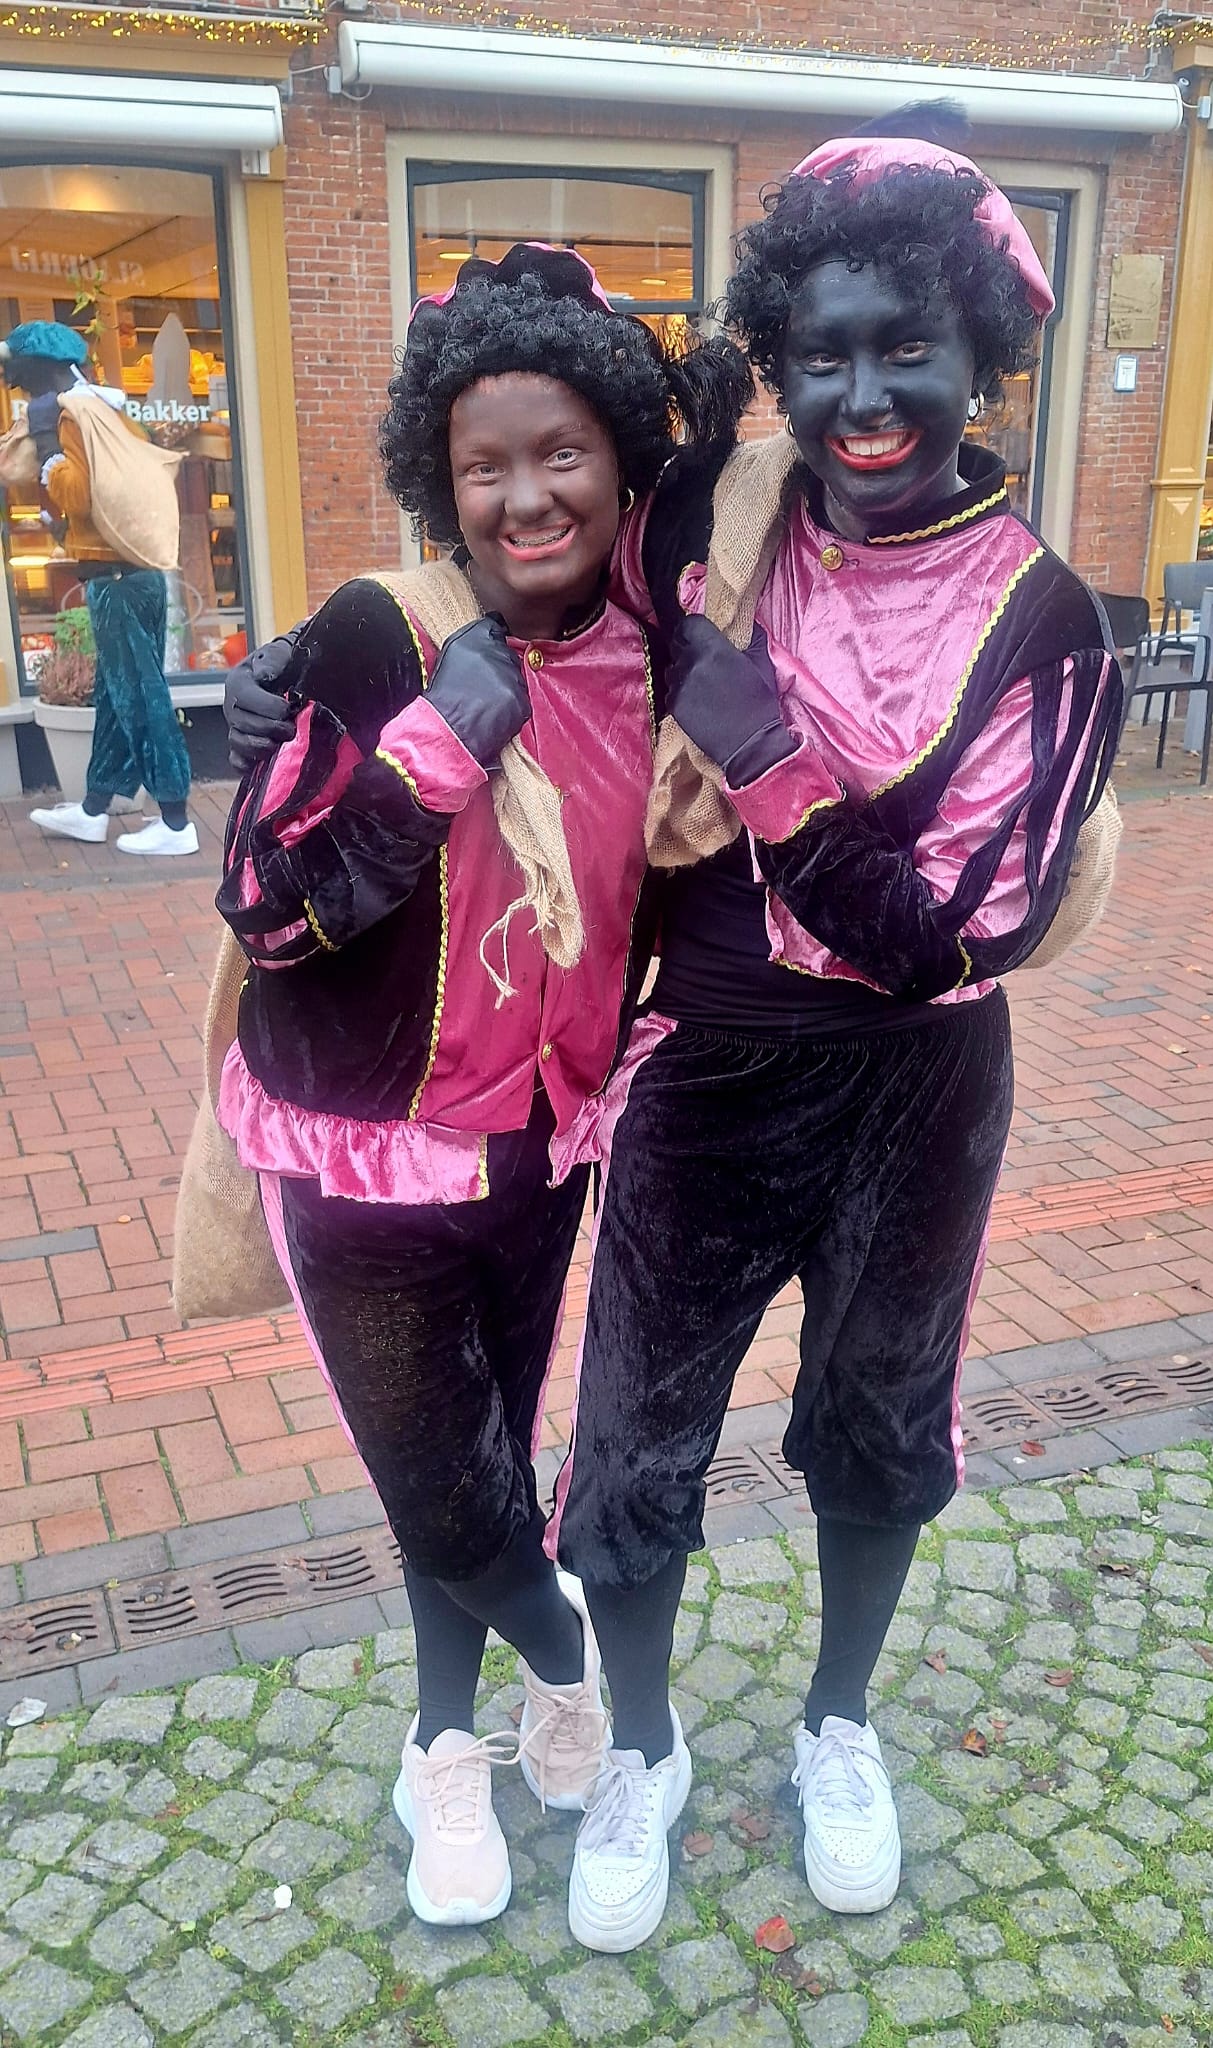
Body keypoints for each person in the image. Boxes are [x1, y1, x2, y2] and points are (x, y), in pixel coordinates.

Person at [550, 110, 1123, 1951]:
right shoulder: (711, 522)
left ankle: (837, 1723)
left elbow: (956, 934)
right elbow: (533, 555)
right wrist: (342, 678)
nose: (864, 398)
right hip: (705, 1069)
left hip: (913, 1086)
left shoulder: (1048, 622)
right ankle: (639, 1748)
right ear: (778, 362)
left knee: (880, 1411)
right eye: (822, 355)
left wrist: (769, 760)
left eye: (907, 349)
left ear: (982, 352)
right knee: (632, 1430)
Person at [213, 243, 748, 1930]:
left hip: (540, 1154)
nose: (525, 497)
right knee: (439, 1484)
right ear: (436, 483)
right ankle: (578, 1657)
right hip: (365, 1164)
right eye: (482, 466)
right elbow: (266, 906)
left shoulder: (655, 660)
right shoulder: (384, 631)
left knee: (488, 1458)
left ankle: (444, 1738)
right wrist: (434, 743)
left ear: (618, 463)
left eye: (562, 452)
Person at [0, 321, 196, 856]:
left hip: (115, 580)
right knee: (116, 697)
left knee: (140, 695)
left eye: (17, 371)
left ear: (37, 369)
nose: (13, 382)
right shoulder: (109, 409)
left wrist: (48, 456)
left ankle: (175, 820)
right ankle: (93, 810)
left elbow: (79, 494)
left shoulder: (68, 416)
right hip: (136, 574)